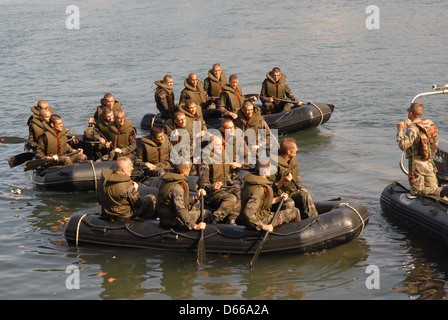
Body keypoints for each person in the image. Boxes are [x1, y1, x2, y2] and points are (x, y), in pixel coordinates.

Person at [397, 103, 447, 197]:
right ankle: (441, 192)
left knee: (417, 191)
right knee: (433, 187)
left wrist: (400, 130)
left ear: (410, 114)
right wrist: (409, 127)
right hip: (429, 163)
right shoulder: (427, 126)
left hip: (416, 165)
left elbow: (403, 145)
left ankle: (442, 191)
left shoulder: (412, 129)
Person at [236, 160, 300, 232]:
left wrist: (279, 198)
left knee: (288, 205)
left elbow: (262, 202)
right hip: (260, 220)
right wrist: (263, 226)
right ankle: (297, 234)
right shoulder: (260, 189)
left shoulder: (250, 183)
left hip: (257, 217)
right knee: (295, 211)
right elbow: (248, 213)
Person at [197, 130, 241, 225]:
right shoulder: (205, 161)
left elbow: (226, 177)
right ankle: (215, 218)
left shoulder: (223, 157)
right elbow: (202, 184)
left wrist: (232, 184)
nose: (221, 147)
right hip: (211, 193)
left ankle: (232, 218)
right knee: (231, 198)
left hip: (224, 188)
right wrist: (212, 187)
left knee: (240, 192)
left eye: (221, 145)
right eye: (217, 145)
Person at [96, 157, 156, 221]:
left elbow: (99, 199)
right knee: (151, 198)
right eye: (130, 167)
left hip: (106, 213)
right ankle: (145, 224)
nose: (132, 168)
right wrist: (135, 190)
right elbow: (138, 204)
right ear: (124, 169)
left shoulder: (103, 180)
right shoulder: (128, 185)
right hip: (123, 215)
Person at [271, 138, 318, 219]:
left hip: (291, 191)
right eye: (295, 148)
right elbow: (269, 188)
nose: (297, 149)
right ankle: (292, 224)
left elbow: (297, 176)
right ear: (289, 152)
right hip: (279, 196)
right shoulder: (273, 165)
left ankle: (313, 219)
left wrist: (299, 187)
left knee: (305, 195)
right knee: (289, 203)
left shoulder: (292, 159)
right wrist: (283, 181)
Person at [156, 163, 212, 231]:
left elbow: (176, 201)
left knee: (197, 203)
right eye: (188, 167)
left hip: (167, 216)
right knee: (207, 213)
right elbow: (180, 210)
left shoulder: (167, 181)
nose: (190, 169)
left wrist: (195, 198)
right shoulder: (177, 187)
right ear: (183, 171)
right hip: (172, 220)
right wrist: (194, 226)